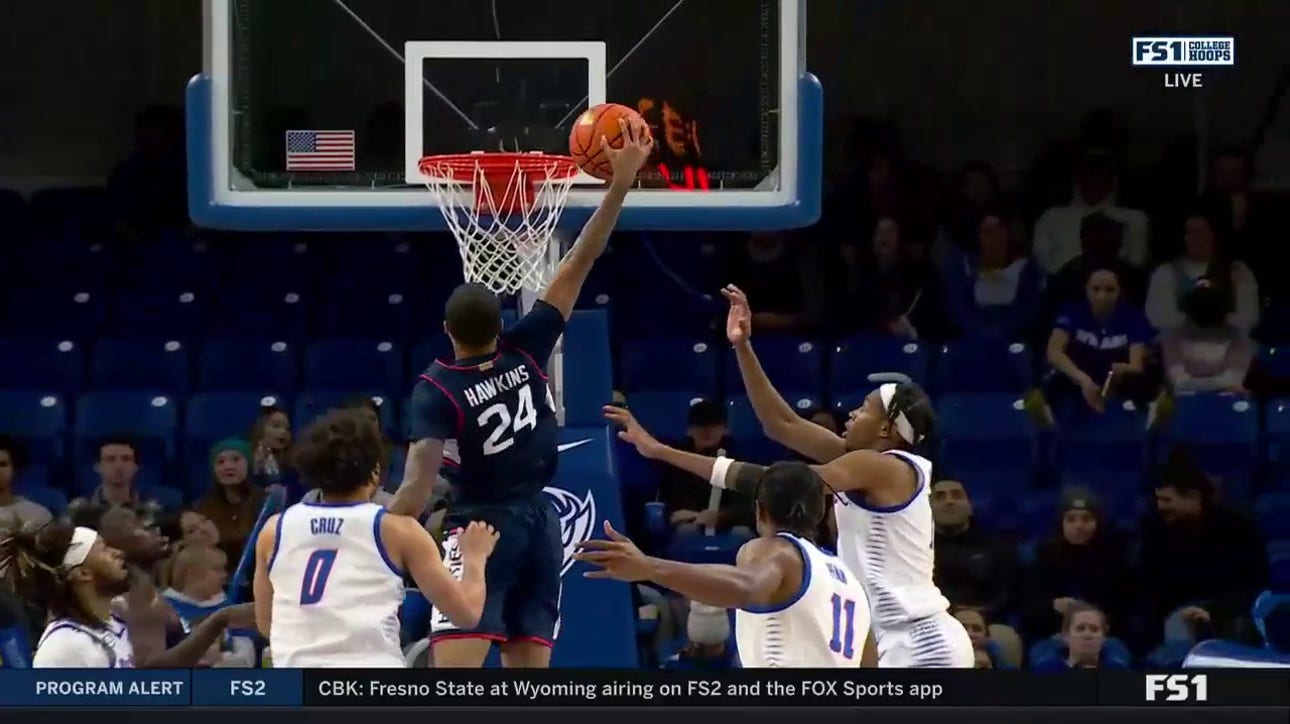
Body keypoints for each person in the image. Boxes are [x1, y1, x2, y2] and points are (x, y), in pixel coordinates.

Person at [390, 116, 654, 669]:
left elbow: (417, 486)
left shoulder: (437, 387)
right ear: (499, 324)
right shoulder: (526, 345)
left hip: (481, 525)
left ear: (447, 330)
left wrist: (373, 527)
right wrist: (621, 182)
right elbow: (583, 256)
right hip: (541, 523)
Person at [605, 285, 973, 668]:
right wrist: (743, 347)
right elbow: (780, 423)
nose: (851, 414)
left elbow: (786, 484)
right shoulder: (860, 465)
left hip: (918, 638)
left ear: (887, 431)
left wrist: (665, 453)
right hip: (883, 635)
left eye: (864, 410)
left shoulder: (886, 465)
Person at [253, 408, 499, 667]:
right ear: (375, 471)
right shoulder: (397, 530)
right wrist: (475, 558)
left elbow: (266, 623)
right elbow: (466, 615)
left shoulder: (274, 530)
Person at [576, 461, 874, 668]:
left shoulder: (774, 550)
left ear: (759, 511)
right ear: (821, 514)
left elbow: (747, 587)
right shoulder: (851, 582)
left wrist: (649, 567)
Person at [0, 521, 253, 667]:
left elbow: (150, 679)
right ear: (82, 574)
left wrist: (220, 619)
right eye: (103, 549)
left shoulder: (112, 622)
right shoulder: (65, 648)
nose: (117, 553)